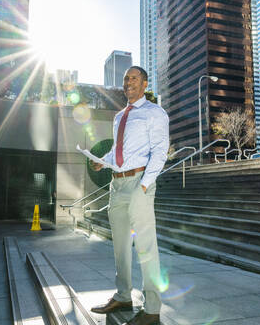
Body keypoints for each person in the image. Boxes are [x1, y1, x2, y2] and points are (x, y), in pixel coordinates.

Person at [90, 66, 169, 325]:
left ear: (144, 84)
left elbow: (159, 152)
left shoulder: (154, 113)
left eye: (134, 78)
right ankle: (123, 296)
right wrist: (103, 160)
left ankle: (153, 310)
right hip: (117, 185)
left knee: (146, 247)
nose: (128, 82)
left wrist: (145, 185)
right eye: (126, 78)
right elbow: (118, 151)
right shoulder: (119, 116)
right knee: (120, 246)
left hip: (139, 183)